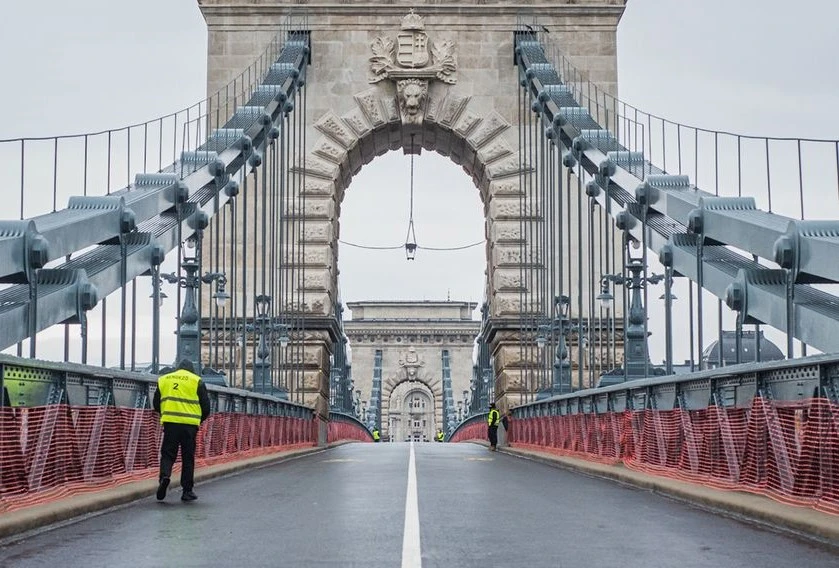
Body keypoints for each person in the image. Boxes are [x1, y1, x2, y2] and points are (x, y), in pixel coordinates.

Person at [153, 358, 211, 502]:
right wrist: (198, 420)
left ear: (177, 369)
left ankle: (164, 477)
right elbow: (206, 408)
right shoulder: (196, 381)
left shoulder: (164, 379)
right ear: (191, 370)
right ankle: (187, 491)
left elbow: (156, 403)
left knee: (167, 454)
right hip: (189, 426)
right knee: (187, 458)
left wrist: (166, 414)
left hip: (170, 423)